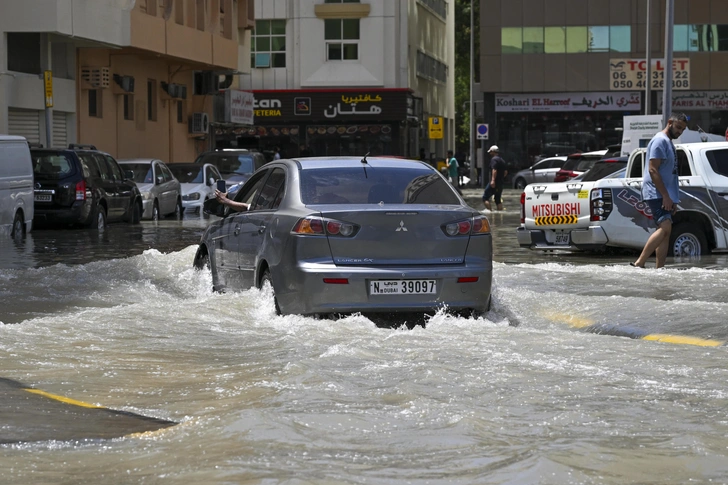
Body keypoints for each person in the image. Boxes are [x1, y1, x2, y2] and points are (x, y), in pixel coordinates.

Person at [631, 112, 688, 269]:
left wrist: (672, 198)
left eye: (682, 129)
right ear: (669, 122)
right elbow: (653, 170)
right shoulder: (659, 141)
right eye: (678, 127)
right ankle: (639, 263)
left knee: (666, 231)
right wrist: (665, 196)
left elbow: (670, 173)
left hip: (665, 195)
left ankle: (660, 268)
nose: (679, 131)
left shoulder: (668, 142)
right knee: (665, 227)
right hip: (656, 193)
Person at [482, 145, 508, 211]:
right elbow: (505, 172)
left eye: (490, 152)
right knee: (498, 199)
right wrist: (501, 178)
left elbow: (494, 170)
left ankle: (490, 211)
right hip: (500, 182)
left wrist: (493, 180)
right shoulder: (502, 160)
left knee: (485, 198)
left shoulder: (494, 159)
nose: (490, 153)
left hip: (495, 182)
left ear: (493, 152)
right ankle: (499, 212)